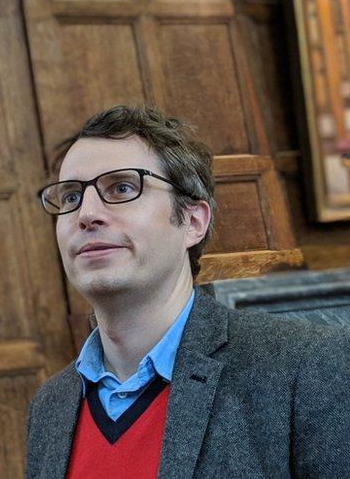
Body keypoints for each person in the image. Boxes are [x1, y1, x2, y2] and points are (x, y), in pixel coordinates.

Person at [25, 105, 350, 478]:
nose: (86, 214)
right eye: (70, 197)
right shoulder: (50, 406)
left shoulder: (304, 367)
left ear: (193, 222)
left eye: (122, 188)